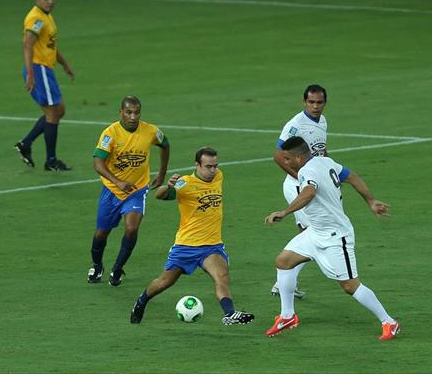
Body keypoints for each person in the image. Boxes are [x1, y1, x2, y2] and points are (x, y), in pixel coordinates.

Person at [264, 136, 399, 340]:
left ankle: (389, 321)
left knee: (349, 286)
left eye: (287, 159)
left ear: (298, 157)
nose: (285, 163)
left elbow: (309, 193)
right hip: (315, 232)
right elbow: (352, 176)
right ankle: (287, 316)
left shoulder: (307, 171)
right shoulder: (325, 161)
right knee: (283, 262)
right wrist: (370, 201)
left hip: (335, 236)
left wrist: (285, 212)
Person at [130, 147, 254, 326]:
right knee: (165, 281)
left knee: (222, 276)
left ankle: (230, 313)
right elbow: (160, 195)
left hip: (212, 245)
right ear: (197, 165)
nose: (213, 170)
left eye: (215, 166)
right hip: (186, 245)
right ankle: (142, 301)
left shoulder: (219, 176)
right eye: (208, 166)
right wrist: (169, 186)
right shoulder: (185, 184)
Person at [87, 96, 170, 286]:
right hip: (112, 191)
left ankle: (117, 269)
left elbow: (165, 145)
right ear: (121, 112)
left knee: (132, 228)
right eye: (129, 112)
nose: (133, 116)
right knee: (101, 233)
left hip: (137, 190)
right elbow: (97, 164)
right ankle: (97, 265)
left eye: (137, 112)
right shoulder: (110, 134)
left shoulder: (150, 131)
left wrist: (162, 172)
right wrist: (118, 181)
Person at [270, 84, 329, 299]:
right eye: (311, 102)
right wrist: (301, 178)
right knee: (312, 234)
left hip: (312, 183)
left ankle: (285, 280)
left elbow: (321, 151)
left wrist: (328, 171)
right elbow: (278, 155)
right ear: (304, 102)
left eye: (319, 102)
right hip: (298, 185)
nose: (315, 106)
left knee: (306, 232)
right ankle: (283, 280)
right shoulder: (295, 125)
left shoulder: (322, 121)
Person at [14, 0, 74, 171]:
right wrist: (30, 72)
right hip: (38, 70)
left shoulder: (46, 17)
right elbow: (27, 45)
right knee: (52, 113)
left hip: (46, 70)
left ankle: (26, 144)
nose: (50, 2)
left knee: (59, 110)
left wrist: (64, 63)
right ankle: (51, 160)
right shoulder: (36, 19)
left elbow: (49, 45)